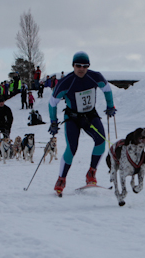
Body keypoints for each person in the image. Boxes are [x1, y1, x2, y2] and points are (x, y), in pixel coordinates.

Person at [48, 51, 116, 195]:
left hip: (90, 116)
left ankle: (91, 173)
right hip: (73, 118)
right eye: (78, 65)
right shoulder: (66, 82)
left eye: (85, 66)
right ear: (73, 65)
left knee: (101, 141)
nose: (81, 68)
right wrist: (53, 122)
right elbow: (52, 102)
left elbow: (107, 89)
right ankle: (61, 178)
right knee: (72, 148)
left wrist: (110, 106)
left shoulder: (94, 76)